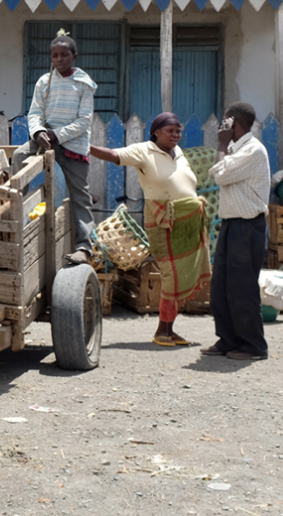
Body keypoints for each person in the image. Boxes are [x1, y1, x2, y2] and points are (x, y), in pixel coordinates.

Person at [89, 113, 212, 347]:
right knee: (171, 275)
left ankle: (169, 329)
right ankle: (161, 331)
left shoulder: (179, 152)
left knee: (184, 274)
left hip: (188, 223)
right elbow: (114, 155)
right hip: (163, 222)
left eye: (178, 131)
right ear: (156, 132)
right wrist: (86, 147)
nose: (176, 135)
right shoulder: (143, 151)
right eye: (170, 131)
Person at [12, 30, 98, 266]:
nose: (59, 59)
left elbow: (84, 122)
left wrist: (57, 135)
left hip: (72, 144)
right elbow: (34, 113)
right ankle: (12, 214)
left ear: (74, 56)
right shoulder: (44, 82)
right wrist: (38, 132)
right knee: (19, 156)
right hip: (45, 139)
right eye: (55, 55)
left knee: (80, 195)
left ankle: (84, 247)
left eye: (64, 55)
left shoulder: (84, 84)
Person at [200, 102, 272, 361]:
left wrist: (221, 144)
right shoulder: (237, 149)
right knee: (221, 286)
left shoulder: (253, 150)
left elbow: (220, 175)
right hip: (232, 224)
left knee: (242, 288)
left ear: (233, 122)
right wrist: (225, 145)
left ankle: (254, 346)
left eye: (225, 120)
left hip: (248, 226)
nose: (222, 125)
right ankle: (228, 340)